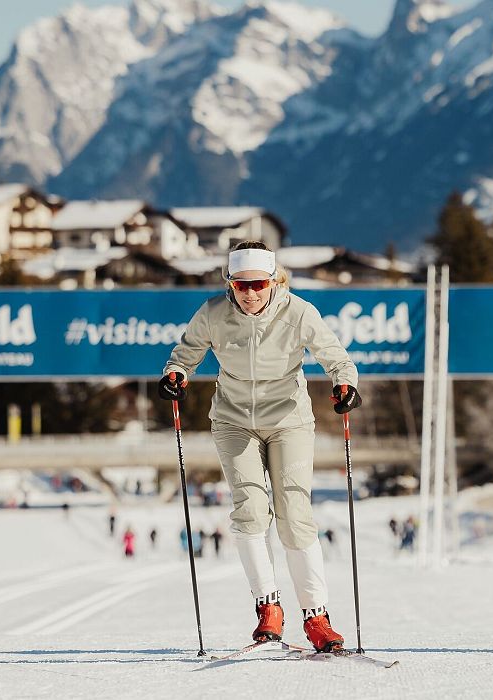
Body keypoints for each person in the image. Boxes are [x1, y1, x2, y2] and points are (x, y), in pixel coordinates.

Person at [159, 240, 362, 653]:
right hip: (234, 421)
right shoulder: (214, 313)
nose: (249, 293)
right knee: (250, 509)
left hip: (289, 420)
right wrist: (176, 373)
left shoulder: (299, 313)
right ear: (229, 284)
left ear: (274, 281)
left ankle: (317, 616)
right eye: (239, 285)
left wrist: (346, 384)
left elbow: (335, 357)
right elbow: (186, 352)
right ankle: (268, 607)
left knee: (294, 510)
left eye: (257, 284)